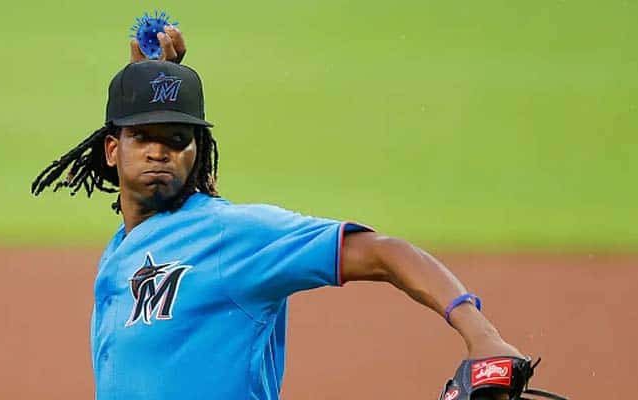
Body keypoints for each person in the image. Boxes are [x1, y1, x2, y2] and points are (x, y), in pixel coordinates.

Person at [32, 26, 524, 400]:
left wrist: (483, 335)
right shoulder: (120, 252)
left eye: (177, 138)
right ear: (113, 150)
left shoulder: (233, 236)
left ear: (195, 153)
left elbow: (383, 253)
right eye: (144, 136)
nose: (160, 151)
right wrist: (156, 81)